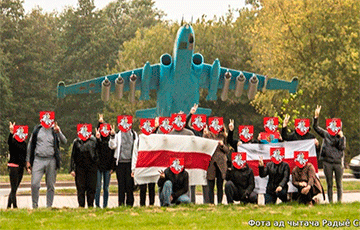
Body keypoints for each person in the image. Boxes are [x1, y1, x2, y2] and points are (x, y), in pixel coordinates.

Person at [26, 116, 67, 209]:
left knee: (50, 185)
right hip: (38, 159)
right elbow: (30, 145)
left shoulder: (54, 130)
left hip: (51, 160)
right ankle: (35, 205)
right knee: (34, 183)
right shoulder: (37, 130)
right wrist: (28, 160)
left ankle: (49, 206)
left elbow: (64, 141)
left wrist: (59, 131)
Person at [313, 105, 346, 203]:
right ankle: (331, 202)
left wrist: (341, 137)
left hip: (338, 163)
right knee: (329, 184)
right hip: (327, 162)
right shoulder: (326, 134)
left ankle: (339, 202)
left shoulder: (341, 137)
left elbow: (342, 148)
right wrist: (316, 117)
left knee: (339, 183)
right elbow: (316, 127)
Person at [109, 123, 139, 207]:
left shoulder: (134, 134)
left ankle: (130, 203)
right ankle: (121, 203)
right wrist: (112, 136)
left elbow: (136, 150)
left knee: (129, 185)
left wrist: (134, 167)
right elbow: (112, 146)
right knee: (121, 185)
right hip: (120, 163)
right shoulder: (118, 134)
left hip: (130, 163)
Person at [70, 128, 98, 208]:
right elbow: (73, 156)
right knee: (80, 188)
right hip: (80, 168)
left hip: (92, 168)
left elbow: (98, 153)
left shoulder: (94, 141)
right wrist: (72, 168)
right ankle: (81, 206)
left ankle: (90, 205)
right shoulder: (76, 142)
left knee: (91, 188)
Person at [94, 114, 115, 208]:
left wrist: (112, 167)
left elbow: (114, 152)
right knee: (98, 187)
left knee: (106, 187)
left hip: (108, 167)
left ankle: (105, 205)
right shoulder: (98, 141)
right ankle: (97, 204)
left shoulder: (111, 141)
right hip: (99, 166)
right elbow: (96, 147)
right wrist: (100, 122)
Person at [204, 127, 229, 205]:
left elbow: (227, 150)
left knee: (220, 185)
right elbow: (204, 145)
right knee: (210, 185)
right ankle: (211, 203)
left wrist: (222, 145)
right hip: (211, 163)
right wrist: (205, 134)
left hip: (221, 163)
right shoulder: (208, 135)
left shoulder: (223, 136)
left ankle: (220, 202)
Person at [7, 122, 27, 208]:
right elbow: (9, 142)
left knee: (15, 187)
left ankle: (9, 205)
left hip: (21, 167)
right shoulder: (13, 141)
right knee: (14, 187)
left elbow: (24, 156)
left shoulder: (24, 144)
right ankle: (14, 206)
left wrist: (26, 167)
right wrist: (11, 132)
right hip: (13, 166)